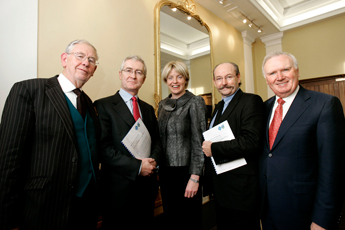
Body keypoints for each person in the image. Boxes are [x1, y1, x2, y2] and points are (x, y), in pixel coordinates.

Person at [0, 39, 101, 230]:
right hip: (43, 207)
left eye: (91, 60)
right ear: (64, 59)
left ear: (94, 70)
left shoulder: (89, 102)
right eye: (80, 56)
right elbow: (8, 160)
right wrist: (7, 218)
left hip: (85, 208)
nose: (86, 62)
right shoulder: (29, 91)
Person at [259, 51, 345, 230]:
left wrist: (323, 220)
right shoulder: (262, 108)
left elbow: (333, 168)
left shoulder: (325, 104)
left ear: (297, 72)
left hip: (305, 213)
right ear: (266, 79)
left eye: (285, 69)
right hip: (268, 211)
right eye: (272, 73)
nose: (279, 77)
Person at [94, 55, 162, 230]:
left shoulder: (147, 109)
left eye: (138, 72)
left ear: (144, 79)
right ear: (120, 74)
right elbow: (103, 148)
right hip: (117, 191)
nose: (133, 75)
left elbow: (157, 142)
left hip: (146, 188)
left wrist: (152, 162)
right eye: (129, 70)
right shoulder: (103, 105)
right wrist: (138, 167)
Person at [202, 62, 264, 230]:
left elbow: (251, 142)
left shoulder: (251, 101)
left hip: (241, 191)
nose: (224, 83)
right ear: (214, 82)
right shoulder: (219, 106)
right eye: (219, 79)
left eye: (229, 77)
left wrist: (213, 149)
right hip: (221, 189)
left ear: (238, 77)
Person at [157, 61, 207, 230]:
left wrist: (195, 177)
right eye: (170, 77)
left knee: (189, 221)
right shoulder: (161, 105)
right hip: (165, 173)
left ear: (186, 79)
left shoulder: (195, 101)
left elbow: (199, 142)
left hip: (186, 173)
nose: (175, 81)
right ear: (166, 80)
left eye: (179, 76)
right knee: (171, 220)